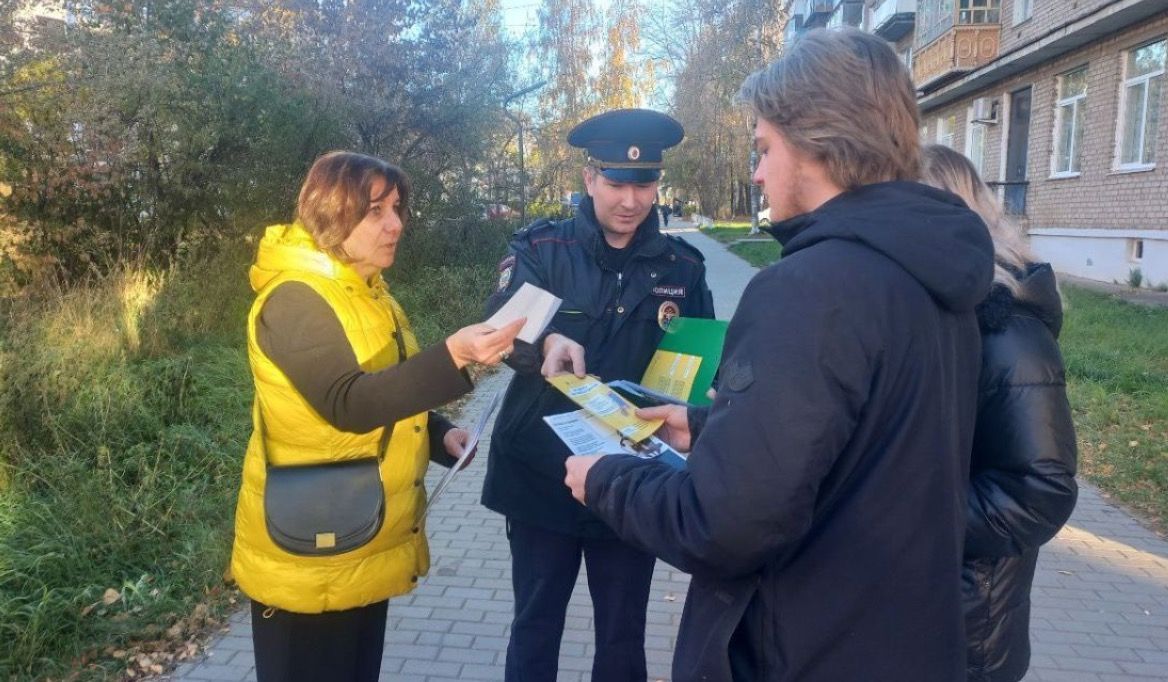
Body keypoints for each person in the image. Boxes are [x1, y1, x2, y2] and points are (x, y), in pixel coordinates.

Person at [564, 28, 995, 681]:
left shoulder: (809, 289)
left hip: (804, 648)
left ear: (817, 142)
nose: (757, 171)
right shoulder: (936, 280)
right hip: (903, 642)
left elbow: (723, 526)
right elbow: (865, 446)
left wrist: (606, 480)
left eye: (764, 147)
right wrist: (708, 427)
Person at [230, 151, 523, 682]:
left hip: (363, 536)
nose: (395, 224)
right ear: (329, 213)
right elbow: (348, 402)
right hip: (309, 548)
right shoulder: (295, 298)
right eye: (375, 211)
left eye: (397, 207)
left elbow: (385, 387)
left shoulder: (368, 293)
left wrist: (440, 435)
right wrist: (454, 355)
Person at [482, 108, 715, 682]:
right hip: (540, 473)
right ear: (589, 179)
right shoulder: (542, 246)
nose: (631, 200)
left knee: (622, 635)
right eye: (616, 182)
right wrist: (545, 339)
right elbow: (497, 330)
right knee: (535, 628)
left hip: (633, 480)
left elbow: (703, 362)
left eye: (644, 183)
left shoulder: (683, 267)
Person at [921, 143, 1079, 682]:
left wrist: (905, 516)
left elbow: (1040, 490)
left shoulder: (1009, 334)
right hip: (918, 603)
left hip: (969, 626)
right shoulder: (938, 314)